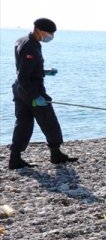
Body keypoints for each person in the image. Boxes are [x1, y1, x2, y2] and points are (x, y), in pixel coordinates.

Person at [9, 18, 78, 169]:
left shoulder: (24, 41)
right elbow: (24, 76)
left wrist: (43, 72)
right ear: (38, 29)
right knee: (49, 121)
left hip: (20, 89)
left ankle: (15, 158)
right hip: (31, 90)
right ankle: (56, 154)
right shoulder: (30, 47)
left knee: (23, 122)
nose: (51, 36)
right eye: (49, 33)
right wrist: (35, 96)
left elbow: (24, 69)